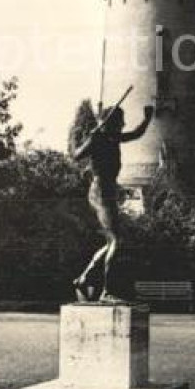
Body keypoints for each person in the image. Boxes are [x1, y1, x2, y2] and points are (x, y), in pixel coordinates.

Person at [72, 102, 154, 301]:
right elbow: (76, 155)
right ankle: (107, 291)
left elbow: (135, 134)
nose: (124, 124)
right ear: (112, 122)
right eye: (121, 121)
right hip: (100, 191)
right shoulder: (98, 138)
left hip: (107, 190)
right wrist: (90, 138)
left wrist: (147, 119)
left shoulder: (112, 137)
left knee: (113, 241)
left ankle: (85, 278)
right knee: (116, 240)